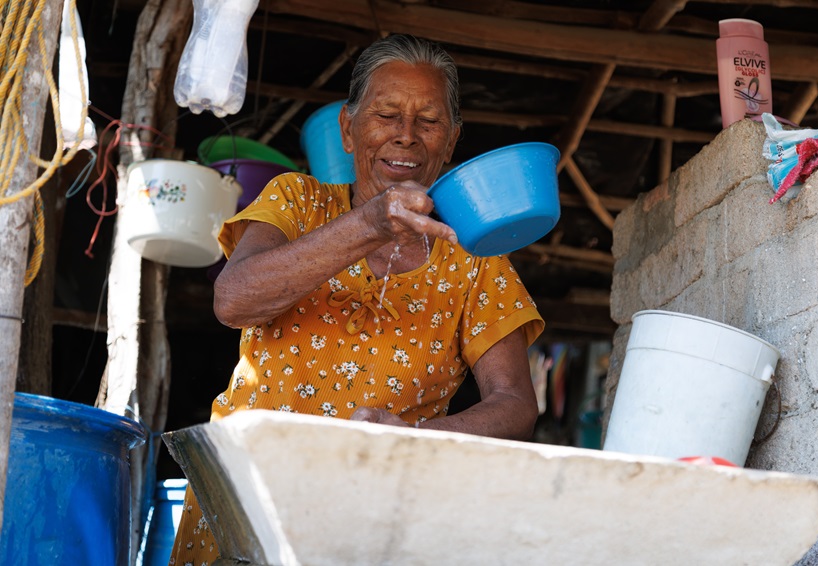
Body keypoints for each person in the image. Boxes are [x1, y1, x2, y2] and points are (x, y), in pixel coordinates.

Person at [169, 33, 544, 564]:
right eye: (386, 115)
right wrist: (370, 224)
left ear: (451, 142)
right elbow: (233, 301)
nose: (406, 136)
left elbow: (516, 406)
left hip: (374, 523)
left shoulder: (475, 259)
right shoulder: (297, 201)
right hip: (246, 498)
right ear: (348, 129)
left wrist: (417, 436)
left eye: (429, 121)